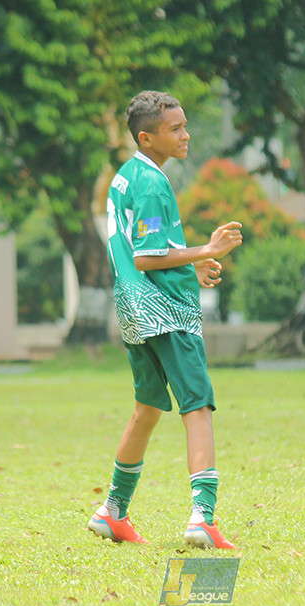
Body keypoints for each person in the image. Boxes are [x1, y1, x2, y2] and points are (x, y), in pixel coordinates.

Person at [87, 91, 243, 549]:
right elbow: (148, 256)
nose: (186, 135)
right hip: (167, 311)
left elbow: (142, 254)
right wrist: (207, 250)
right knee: (197, 406)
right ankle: (202, 518)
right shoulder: (154, 184)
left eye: (184, 125)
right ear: (146, 138)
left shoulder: (126, 176)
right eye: (175, 129)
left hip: (133, 306)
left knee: (148, 408)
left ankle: (112, 511)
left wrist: (190, 265)